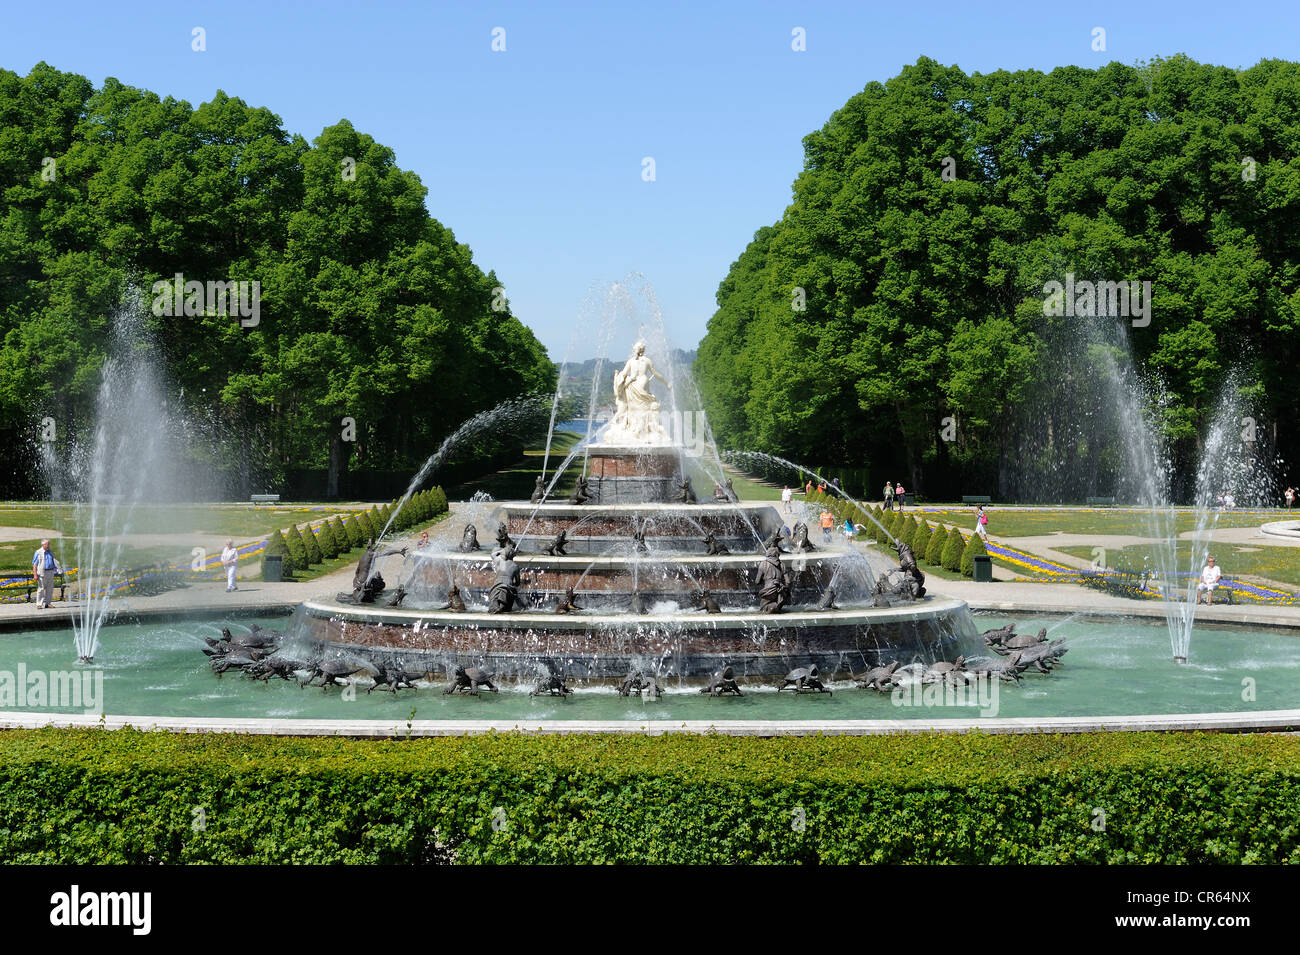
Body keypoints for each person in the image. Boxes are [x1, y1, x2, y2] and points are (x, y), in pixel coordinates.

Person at [31, 539, 62, 609]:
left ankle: (48, 603)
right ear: (43, 545)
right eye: (47, 544)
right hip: (42, 572)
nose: (48, 546)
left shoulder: (50, 552)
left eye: (49, 544)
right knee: (41, 589)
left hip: (50, 572)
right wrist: (35, 574)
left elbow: (54, 561)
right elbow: (35, 565)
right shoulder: (38, 552)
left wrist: (58, 569)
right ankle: (39, 604)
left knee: (50, 589)